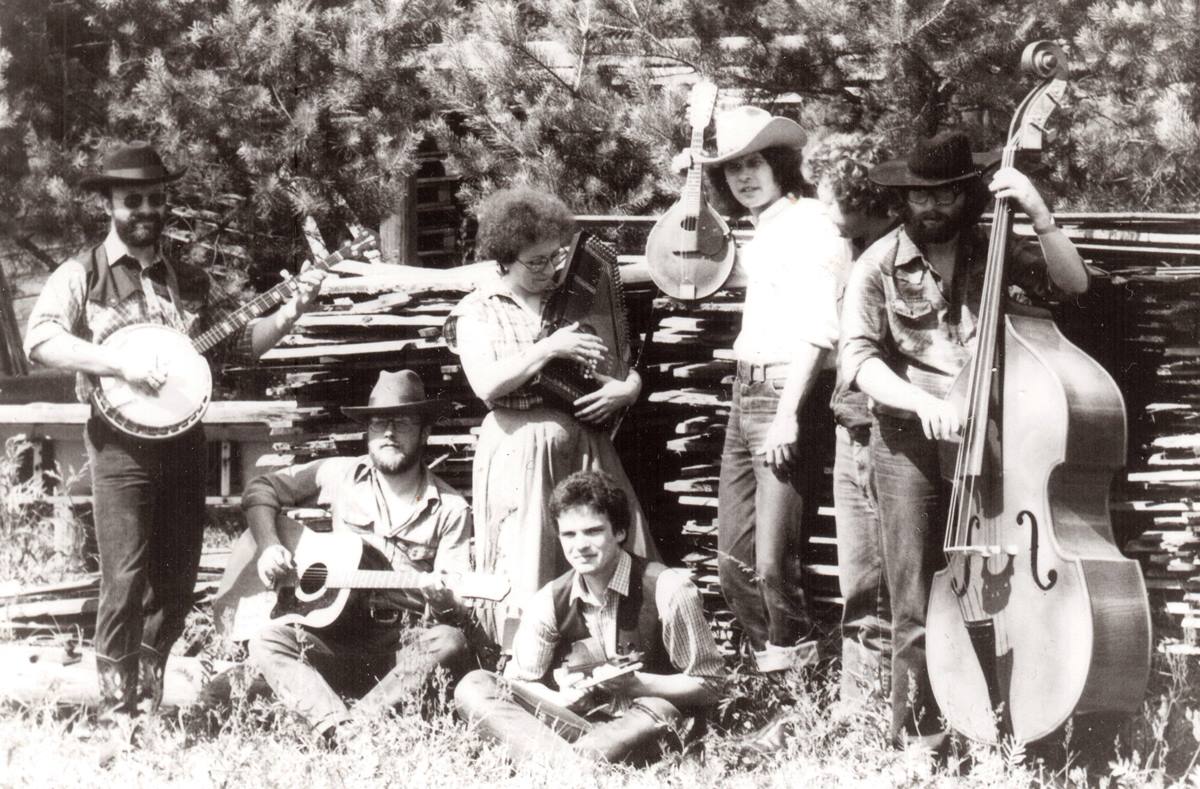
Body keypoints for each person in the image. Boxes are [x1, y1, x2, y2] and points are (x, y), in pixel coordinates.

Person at [22, 141, 326, 722]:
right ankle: (117, 715)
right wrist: (120, 365)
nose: (145, 210)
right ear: (109, 204)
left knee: (177, 581)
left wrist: (290, 313)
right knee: (125, 579)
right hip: (119, 446)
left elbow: (240, 346)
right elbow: (41, 339)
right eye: (132, 200)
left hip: (185, 443)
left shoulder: (187, 279)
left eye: (155, 199)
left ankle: (147, 702)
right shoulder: (82, 273)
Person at [839, 129, 1090, 745]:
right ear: (904, 198)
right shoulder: (878, 264)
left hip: (997, 439)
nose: (930, 207)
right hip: (910, 438)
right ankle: (917, 740)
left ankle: (1002, 720)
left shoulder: (995, 245)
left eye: (945, 195)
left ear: (969, 194)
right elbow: (859, 361)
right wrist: (921, 402)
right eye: (919, 196)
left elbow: (1074, 284)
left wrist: (1038, 213)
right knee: (915, 597)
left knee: (1005, 585)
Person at [443, 187, 658, 644]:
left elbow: (621, 356)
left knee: (610, 546)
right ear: (504, 259)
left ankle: (621, 649)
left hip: (586, 445)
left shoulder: (571, 297)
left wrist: (628, 388)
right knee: (529, 558)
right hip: (521, 450)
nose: (548, 270)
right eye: (535, 262)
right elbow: (486, 384)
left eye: (554, 257)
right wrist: (548, 348)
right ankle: (525, 659)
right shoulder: (478, 311)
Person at [241, 369, 480, 738]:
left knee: (450, 641)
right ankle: (336, 724)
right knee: (267, 639)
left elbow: (455, 607)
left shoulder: (450, 508)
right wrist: (270, 545)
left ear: (424, 432)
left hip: (399, 650)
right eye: (378, 423)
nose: (388, 433)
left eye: (402, 422)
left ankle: (355, 725)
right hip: (333, 636)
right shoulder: (341, 475)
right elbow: (261, 489)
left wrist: (443, 599)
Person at [694, 106, 847, 671]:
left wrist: (788, 415)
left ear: (782, 165)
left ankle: (797, 686)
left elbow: (819, 331)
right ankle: (775, 666)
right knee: (732, 560)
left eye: (755, 163)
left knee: (773, 561)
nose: (744, 177)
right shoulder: (763, 231)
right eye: (733, 168)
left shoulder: (812, 225)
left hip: (787, 394)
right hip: (746, 393)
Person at [454, 470, 726, 765]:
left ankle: (557, 766)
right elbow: (517, 683)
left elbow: (712, 685)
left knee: (660, 712)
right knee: (475, 686)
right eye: (569, 535)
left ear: (619, 532)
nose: (580, 545)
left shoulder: (668, 589)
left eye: (593, 531)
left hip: (646, 721)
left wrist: (638, 686)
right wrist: (562, 698)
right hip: (579, 725)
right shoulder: (549, 599)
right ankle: (574, 765)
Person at [806, 133, 900, 703]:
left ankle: (873, 710)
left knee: (876, 583)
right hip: (852, 428)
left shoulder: (894, 256)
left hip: (882, 432)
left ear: (860, 195)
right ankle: (859, 705)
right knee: (861, 582)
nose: (823, 209)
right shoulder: (855, 251)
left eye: (829, 198)